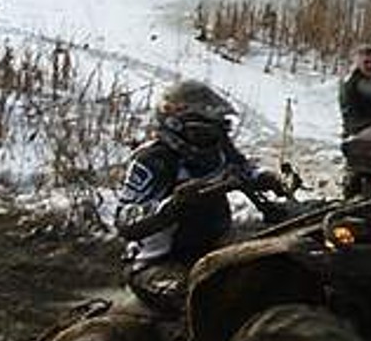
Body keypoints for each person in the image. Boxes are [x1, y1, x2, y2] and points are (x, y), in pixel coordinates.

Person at [115, 80, 286, 316]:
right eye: (202, 132)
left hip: (213, 246)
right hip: (158, 263)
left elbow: (242, 168)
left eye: (216, 130)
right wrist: (172, 205)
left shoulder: (218, 149)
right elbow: (125, 219)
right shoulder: (153, 160)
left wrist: (265, 178)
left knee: (269, 266)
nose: (212, 138)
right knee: (204, 302)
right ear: (177, 127)